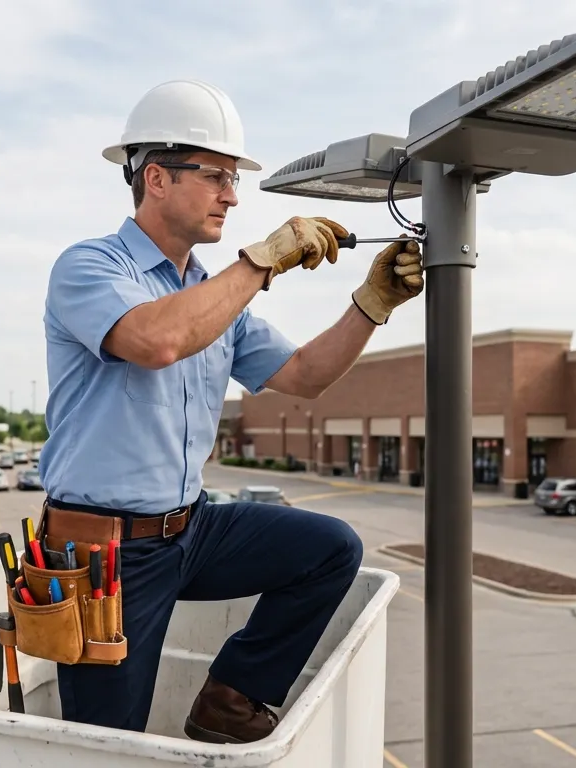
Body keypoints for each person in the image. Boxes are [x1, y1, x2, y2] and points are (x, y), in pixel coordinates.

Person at [37, 79, 424, 743]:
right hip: (108, 554)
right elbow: (157, 340)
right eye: (216, 175)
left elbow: (304, 376)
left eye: (233, 178)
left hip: (190, 531)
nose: (233, 195)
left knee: (328, 550)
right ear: (155, 178)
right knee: (112, 743)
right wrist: (259, 261)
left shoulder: (212, 295)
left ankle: (229, 701)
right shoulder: (90, 267)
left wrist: (371, 303)